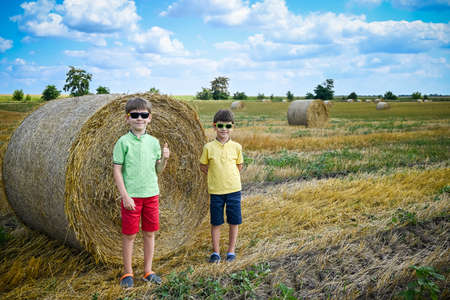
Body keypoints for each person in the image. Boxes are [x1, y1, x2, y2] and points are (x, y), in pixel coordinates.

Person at [113, 97, 170, 288]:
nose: (139, 118)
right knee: (129, 235)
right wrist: (125, 195)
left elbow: (158, 170)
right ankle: (127, 272)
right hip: (132, 197)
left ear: (149, 118)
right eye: (135, 115)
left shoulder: (154, 142)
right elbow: (117, 170)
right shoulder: (123, 142)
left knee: (149, 233)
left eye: (143, 115)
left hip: (151, 195)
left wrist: (165, 159)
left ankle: (148, 271)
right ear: (127, 118)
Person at [199, 109, 244, 263]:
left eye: (228, 126)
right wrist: (216, 177)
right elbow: (203, 166)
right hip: (216, 191)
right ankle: (216, 252)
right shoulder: (208, 148)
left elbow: (239, 165)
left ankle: (231, 251)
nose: (224, 129)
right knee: (216, 222)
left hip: (234, 190)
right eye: (220, 125)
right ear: (214, 126)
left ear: (232, 127)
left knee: (234, 221)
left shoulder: (237, 147)